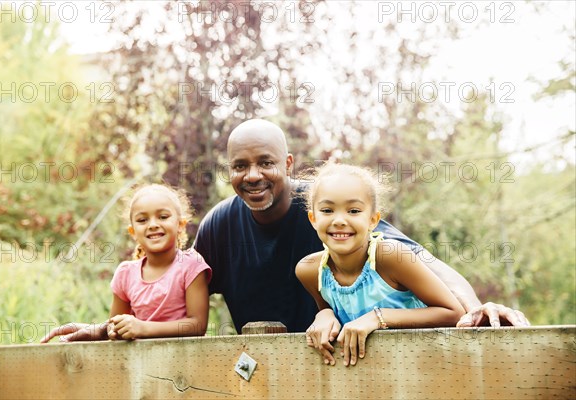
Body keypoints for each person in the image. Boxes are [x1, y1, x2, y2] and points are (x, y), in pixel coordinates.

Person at [194, 118, 529, 335]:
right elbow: (179, 289)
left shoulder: (329, 206)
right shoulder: (218, 227)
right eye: (240, 166)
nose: (253, 176)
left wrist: (474, 312)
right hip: (266, 374)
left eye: (266, 162)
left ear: (288, 163)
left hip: (349, 370)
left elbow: (424, 263)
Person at [295, 163, 464, 367]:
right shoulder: (310, 271)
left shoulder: (390, 256)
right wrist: (324, 315)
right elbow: (332, 314)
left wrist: (378, 317)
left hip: (428, 365)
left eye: (354, 210)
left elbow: (453, 312)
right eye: (327, 210)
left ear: (373, 219)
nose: (339, 220)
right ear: (313, 218)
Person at [41, 184, 211, 342]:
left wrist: (143, 328)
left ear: (180, 224)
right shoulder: (126, 273)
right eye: (142, 220)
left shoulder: (191, 265)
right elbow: (114, 329)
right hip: (137, 367)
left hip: (185, 365)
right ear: (133, 232)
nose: (153, 225)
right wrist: (89, 330)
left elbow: (197, 325)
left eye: (163, 216)